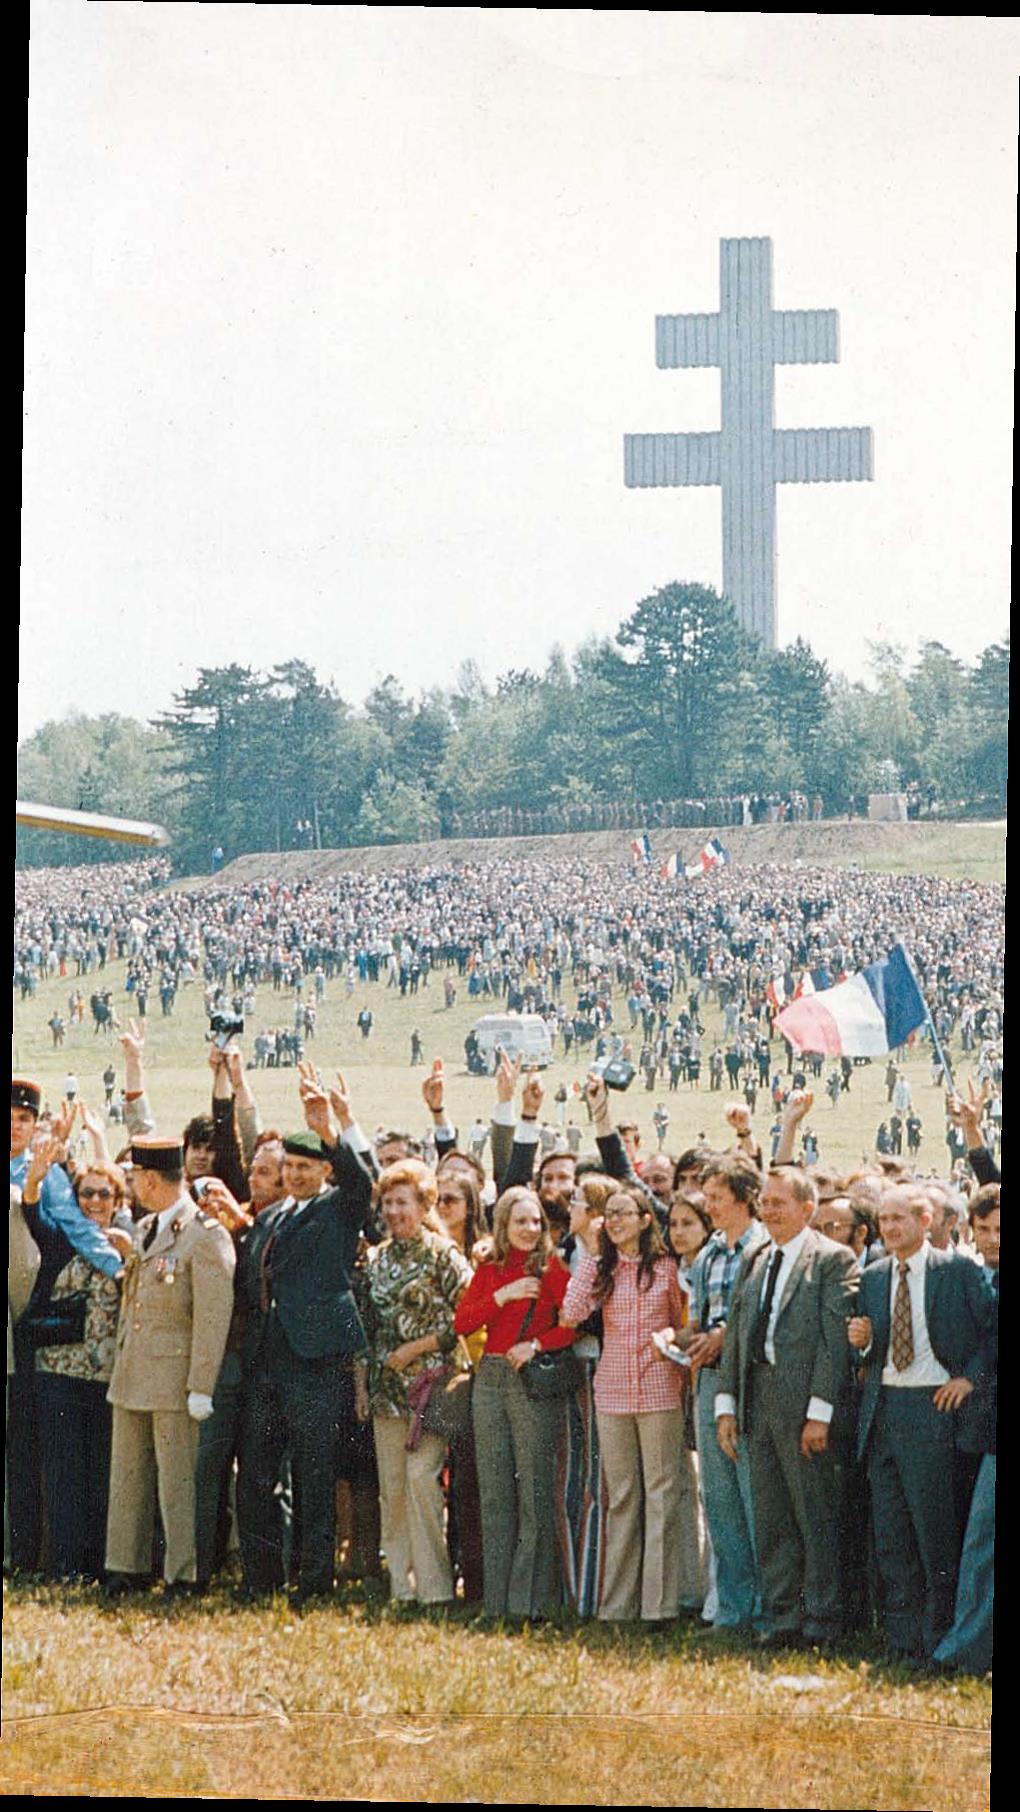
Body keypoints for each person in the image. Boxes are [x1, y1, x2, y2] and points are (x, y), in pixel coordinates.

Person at [235, 1072, 376, 1603]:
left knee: (315, 1478)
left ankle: (313, 1583)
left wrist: (331, 1131)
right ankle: (261, 1578)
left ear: (324, 1171)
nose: (293, 1175)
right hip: (270, 1359)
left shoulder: (336, 1209)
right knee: (257, 1474)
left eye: (305, 1167)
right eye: (288, 1167)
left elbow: (362, 1186)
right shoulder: (271, 1219)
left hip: (315, 1360)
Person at [848, 1182, 995, 1661]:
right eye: (884, 1220)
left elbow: (992, 1333)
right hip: (885, 1408)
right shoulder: (872, 1277)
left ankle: (938, 1641)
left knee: (935, 1533)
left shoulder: (957, 1271)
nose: (889, 1228)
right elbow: (872, 1351)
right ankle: (901, 1642)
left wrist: (969, 1379)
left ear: (925, 1221)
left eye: (900, 1219)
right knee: (891, 1534)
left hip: (934, 1410)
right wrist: (864, 1341)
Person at [716, 1166, 859, 1649]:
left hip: (805, 1406)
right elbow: (736, 1334)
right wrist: (727, 1404)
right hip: (759, 1398)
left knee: (813, 1514)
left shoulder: (831, 1261)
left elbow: (834, 1345)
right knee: (772, 1515)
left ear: (807, 1208)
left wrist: (820, 1413)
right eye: (766, 1202)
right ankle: (784, 1619)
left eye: (780, 1202)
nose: (769, 1211)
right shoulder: (757, 1257)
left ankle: (822, 1620)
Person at [104, 1135, 236, 1596]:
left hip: (176, 1377)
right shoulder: (145, 1230)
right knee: (128, 1477)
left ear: (151, 1178)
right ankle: (126, 1564)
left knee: (178, 1480)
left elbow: (212, 1314)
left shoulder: (205, 1233)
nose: (133, 1186)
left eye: (136, 1177)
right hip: (134, 1371)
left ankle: (185, 1571)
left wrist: (202, 1383)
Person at [563, 1182, 690, 1626]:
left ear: (644, 1219)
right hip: (612, 1389)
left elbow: (681, 1323)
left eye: (624, 1212)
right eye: (609, 1214)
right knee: (621, 1497)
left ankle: (659, 1606)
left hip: (658, 1388)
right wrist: (594, 1261)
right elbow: (570, 1313)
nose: (615, 1221)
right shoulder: (601, 1269)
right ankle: (617, 1604)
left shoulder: (667, 1269)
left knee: (661, 1493)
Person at [453, 1186, 575, 1621]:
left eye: (536, 1221)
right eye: (520, 1221)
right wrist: (502, 1297)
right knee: (495, 1489)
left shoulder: (552, 1268)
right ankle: (497, 1602)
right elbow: (463, 1322)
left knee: (533, 1490)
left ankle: (533, 1601)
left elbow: (572, 1324)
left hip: (529, 1377)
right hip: (490, 1378)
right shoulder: (490, 1269)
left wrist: (538, 1344)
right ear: (503, 1225)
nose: (530, 1229)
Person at [356, 1160, 472, 1606]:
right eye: (387, 1202)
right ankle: (400, 1587)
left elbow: (466, 1317)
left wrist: (418, 1347)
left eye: (402, 1202)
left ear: (424, 1205)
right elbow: (365, 1327)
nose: (393, 1211)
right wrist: (362, 1386)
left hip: (432, 1386)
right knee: (393, 1488)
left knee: (422, 1480)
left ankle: (436, 1587)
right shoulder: (375, 1258)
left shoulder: (443, 1256)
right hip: (386, 1391)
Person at [34, 1160, 131, 1580]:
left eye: (103, 1193)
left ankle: (100, 1562)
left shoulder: (130, 1247)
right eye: (85, 1193)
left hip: (110, 1379)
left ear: (118, 1200)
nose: (94, 1201)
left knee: (104, 1474)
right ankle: (67, 1566)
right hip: (60, 1374)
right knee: (64, 1474)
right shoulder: (64, 1241)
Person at [686, 1155, 769, 1633]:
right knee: (719, 1498)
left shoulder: (761, 1249)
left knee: (754, 1494)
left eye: (717, 1197)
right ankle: (734, 1610)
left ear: (742, 1197)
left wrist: (724, 1337)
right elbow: (698, 1321)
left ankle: (766, 1609)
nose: (709, 1205)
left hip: (751, 1379)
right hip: (711, 1379)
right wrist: (684, 1344)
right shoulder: (709, 1254)